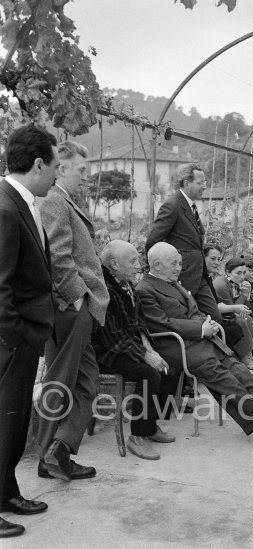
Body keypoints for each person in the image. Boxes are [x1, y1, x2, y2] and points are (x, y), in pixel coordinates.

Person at [136, 243, 253, 445]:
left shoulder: (173, 283)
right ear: (157, 264)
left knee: (241, 373)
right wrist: (200, 328)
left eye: (180, 263)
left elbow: (194, 311)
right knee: (228, 382)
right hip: (178, 347)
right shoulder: (145, 289)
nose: (179, 267)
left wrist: (206, 323)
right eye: (174, 263)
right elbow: (162, 324)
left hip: (203, 341)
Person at [36, 141, 110, 483]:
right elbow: (58, 258)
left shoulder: (61, 200)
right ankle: (53, 453)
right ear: (61, 168)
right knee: (63, 380)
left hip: (73, 308)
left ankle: (56, 452)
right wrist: (79, 297)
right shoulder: (54, 200)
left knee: (78, 380)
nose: (87, 176)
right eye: (81, 169)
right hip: (71, 307)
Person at [0, 124, 58, 538]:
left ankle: (7, 491)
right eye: (55, 166)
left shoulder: (21, 204)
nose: (57, 175)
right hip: (10, 341)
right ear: (37, 164)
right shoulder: (5, 209)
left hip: (22, 338)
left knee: (15, 422)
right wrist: (14, 336)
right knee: (3, 423)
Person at [92, 240, 181, 460]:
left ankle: (150, 426)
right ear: (114, 263)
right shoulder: (103, 288)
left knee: (171, 366)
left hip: (126, 346)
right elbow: (113, 338)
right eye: (132, 260)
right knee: (148, 374)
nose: (138, 265)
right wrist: (145, 356)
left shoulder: (126, 282)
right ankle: (138, 437)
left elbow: (139, 323)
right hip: (106, 352)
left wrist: (151, 350)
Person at [145, 163, 221, 323]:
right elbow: (153, 241)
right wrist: (159, 273)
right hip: (183, 276)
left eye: (205, 183)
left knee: (214, 317)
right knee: (192, 319)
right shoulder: (173, 206)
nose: (204, 187)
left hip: (199, 276)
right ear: (187, 183)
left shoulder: (190, 206)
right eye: (200, 183)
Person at [204, 247, 253, 371]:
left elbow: (244, 306)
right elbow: (232, 309)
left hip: (224, 312)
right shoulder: (221, 284)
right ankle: (247, 356)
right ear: (228, 273)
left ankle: (251, 354)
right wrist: (243, 295)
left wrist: (246, 293)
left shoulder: (234, 283)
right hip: (216, 317)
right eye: (239, 273)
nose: (243, 276)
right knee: (242, 320)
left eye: (218, 259)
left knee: (250, 314)